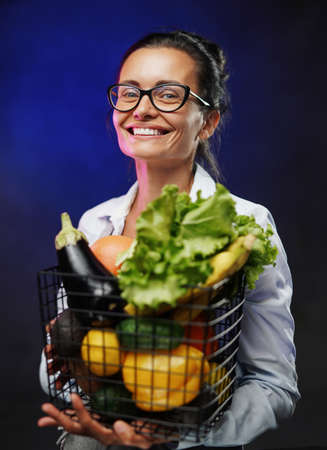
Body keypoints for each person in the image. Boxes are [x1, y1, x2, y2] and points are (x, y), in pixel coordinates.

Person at [37, 30, 300, 450]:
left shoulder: (247, 226)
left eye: (168, 94)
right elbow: (61, 372)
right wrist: (62, 355)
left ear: (208, 122)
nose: (141, 109)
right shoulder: (94, 224)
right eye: (129, 93)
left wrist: (179, 435)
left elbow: (273, 383)